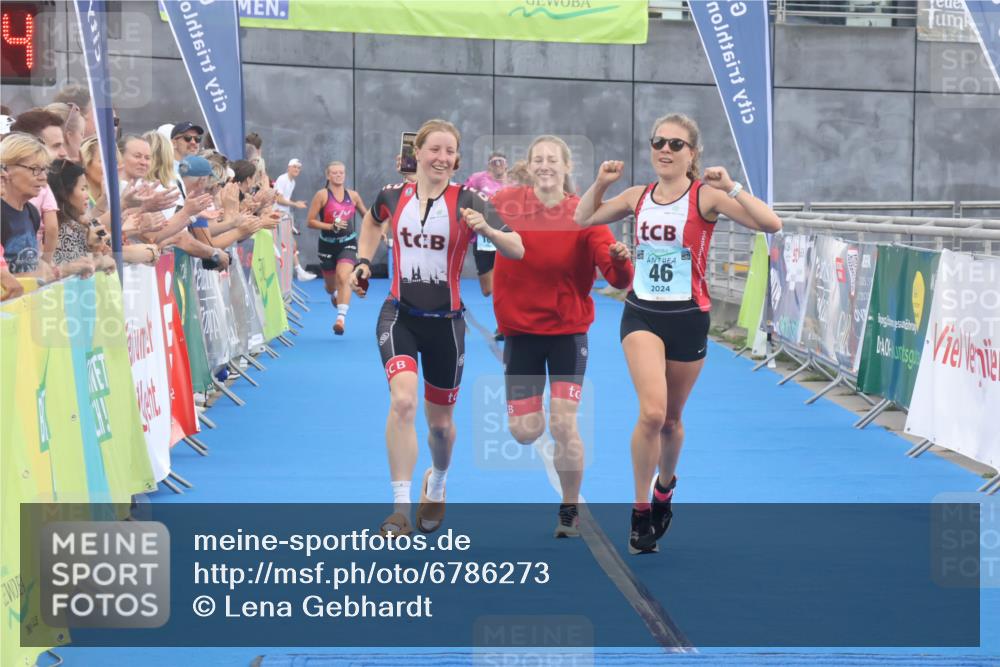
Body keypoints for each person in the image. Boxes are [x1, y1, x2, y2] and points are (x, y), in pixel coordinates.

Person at [575, 113, 782, 554]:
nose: (664, 150)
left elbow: (770, 224)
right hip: (642, 313)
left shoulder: (706, 197)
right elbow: (581, 219)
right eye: (658, 142)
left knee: (671, 421)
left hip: (688, 316)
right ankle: (639, 510)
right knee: (651, 413)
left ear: (692, 154)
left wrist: (732, 187)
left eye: (675, 144)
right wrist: (600, 183)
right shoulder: (638, 195)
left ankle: (664, 489)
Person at [351, 119, 523, 536]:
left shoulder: (471, 200)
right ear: (418, 154)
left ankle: (438, 482)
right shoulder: (392, 195)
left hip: (447, 325)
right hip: (399, 316)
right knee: (403, 403)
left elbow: (517, 247)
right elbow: (373, 221)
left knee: (441, 428)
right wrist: (362, 259)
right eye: (435, 150)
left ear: (457, 159)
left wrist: (486, 230)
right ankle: (399, 509)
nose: (442, 158)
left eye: (450, 152)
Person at [492, 135, 633, 537]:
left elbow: (618, 277)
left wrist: (620, 262)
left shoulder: (583, 216)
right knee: (525, 432)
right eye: (538, 159)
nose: (545, 165)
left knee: (563, 424)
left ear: (566, 167)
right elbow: (464, 210)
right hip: (520, 334)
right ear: (530, 165)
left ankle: (569, 507)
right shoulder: (506, 202)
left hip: (567, 333)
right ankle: (530, 426)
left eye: (553, 159)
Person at [306, 161, 368, 335]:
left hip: (347, 242)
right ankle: (334, 296)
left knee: (344, 277)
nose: (338, 175)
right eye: (334, 173)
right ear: (328, 175)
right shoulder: (322, 195)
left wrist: (381, 228)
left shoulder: (353, 196)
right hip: (326, 244)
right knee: (331, 287)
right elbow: (310, 222)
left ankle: (340, 319)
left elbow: (367, 216)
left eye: (341, 172)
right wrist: (330, 226)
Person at [10, 109, 68, 262]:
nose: (64, 153)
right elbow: (52, 228)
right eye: (56, 146)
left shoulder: (32, 210)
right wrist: (46, 264)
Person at [46, 159, 117, 275]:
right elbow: (81, 269)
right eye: (83, 189)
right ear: (65, 193)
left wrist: (99, 249)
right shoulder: (64, 230)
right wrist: (98, 255)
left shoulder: (77, 225)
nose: (87, 196)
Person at [1, 133, 54, 281]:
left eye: (44, 170)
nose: (43, 177)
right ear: (7, 169)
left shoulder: (32, 212)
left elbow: (32, 262)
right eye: (35, 169)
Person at [464, 151, 509, 301]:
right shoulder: (478, 179)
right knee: (487, 289)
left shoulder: (513, 182)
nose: (498, 165)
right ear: (489, 165)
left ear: (506, 164)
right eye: (494, 162)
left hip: (505, 235)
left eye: (500, 162)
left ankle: (504, 308)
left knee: (506, 282)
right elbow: (464, 196)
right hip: (483, 237)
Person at [273, 158, 315, 281]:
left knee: (292, 244)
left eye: (298, 168)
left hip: (284, 217)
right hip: (275, 216)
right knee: (288, 244)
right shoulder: (282, 179)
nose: (297, 169)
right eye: (294, 167)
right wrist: (295, 204)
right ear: (288, 167)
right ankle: (296, 272)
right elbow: (279, 200)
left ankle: (296, 272)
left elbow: (284, 202)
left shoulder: (292, 183)